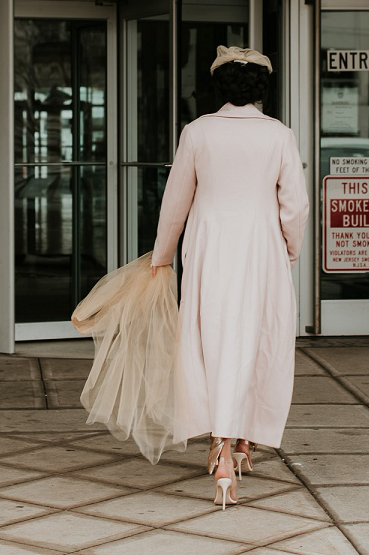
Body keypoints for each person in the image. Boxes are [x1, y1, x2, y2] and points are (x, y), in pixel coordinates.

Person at [150, 45, 310, 508]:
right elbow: (294, 206)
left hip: (211, 247)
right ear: (262, 87)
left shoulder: (197, 132)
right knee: (258, 339)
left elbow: (176, 201)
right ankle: (241, 443)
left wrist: (162, 256)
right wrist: (291, 252)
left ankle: (222, 449)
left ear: (218, 86)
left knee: (214, 341)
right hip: (262, 249)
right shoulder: (279, 134)